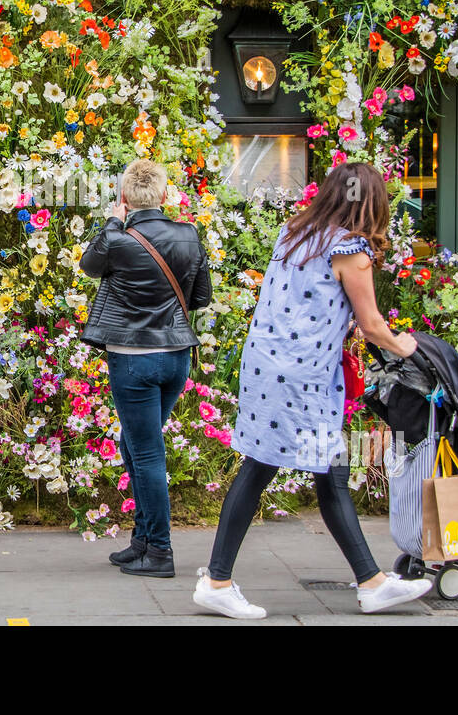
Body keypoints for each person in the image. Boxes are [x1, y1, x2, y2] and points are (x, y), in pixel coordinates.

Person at [193, 161, 433, 619]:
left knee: (324, 468)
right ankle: (218, 580)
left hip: (268, 365)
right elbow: (373, 325)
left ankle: (371, 581)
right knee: (269, 466)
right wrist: (406, 346)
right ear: (372, 206)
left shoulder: (296, 234)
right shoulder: (352, 250)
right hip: (299, 377)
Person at [80, 158, 212, 578]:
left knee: (146, 451)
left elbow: (89, 264)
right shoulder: (188, 235)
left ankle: (160, 552)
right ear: (163, 195)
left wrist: (113, 224)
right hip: (174, 357)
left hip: (133, 359)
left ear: (124, 198)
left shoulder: (117, 239)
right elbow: (201, 296)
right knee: (134, 445)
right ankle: (142, 540)